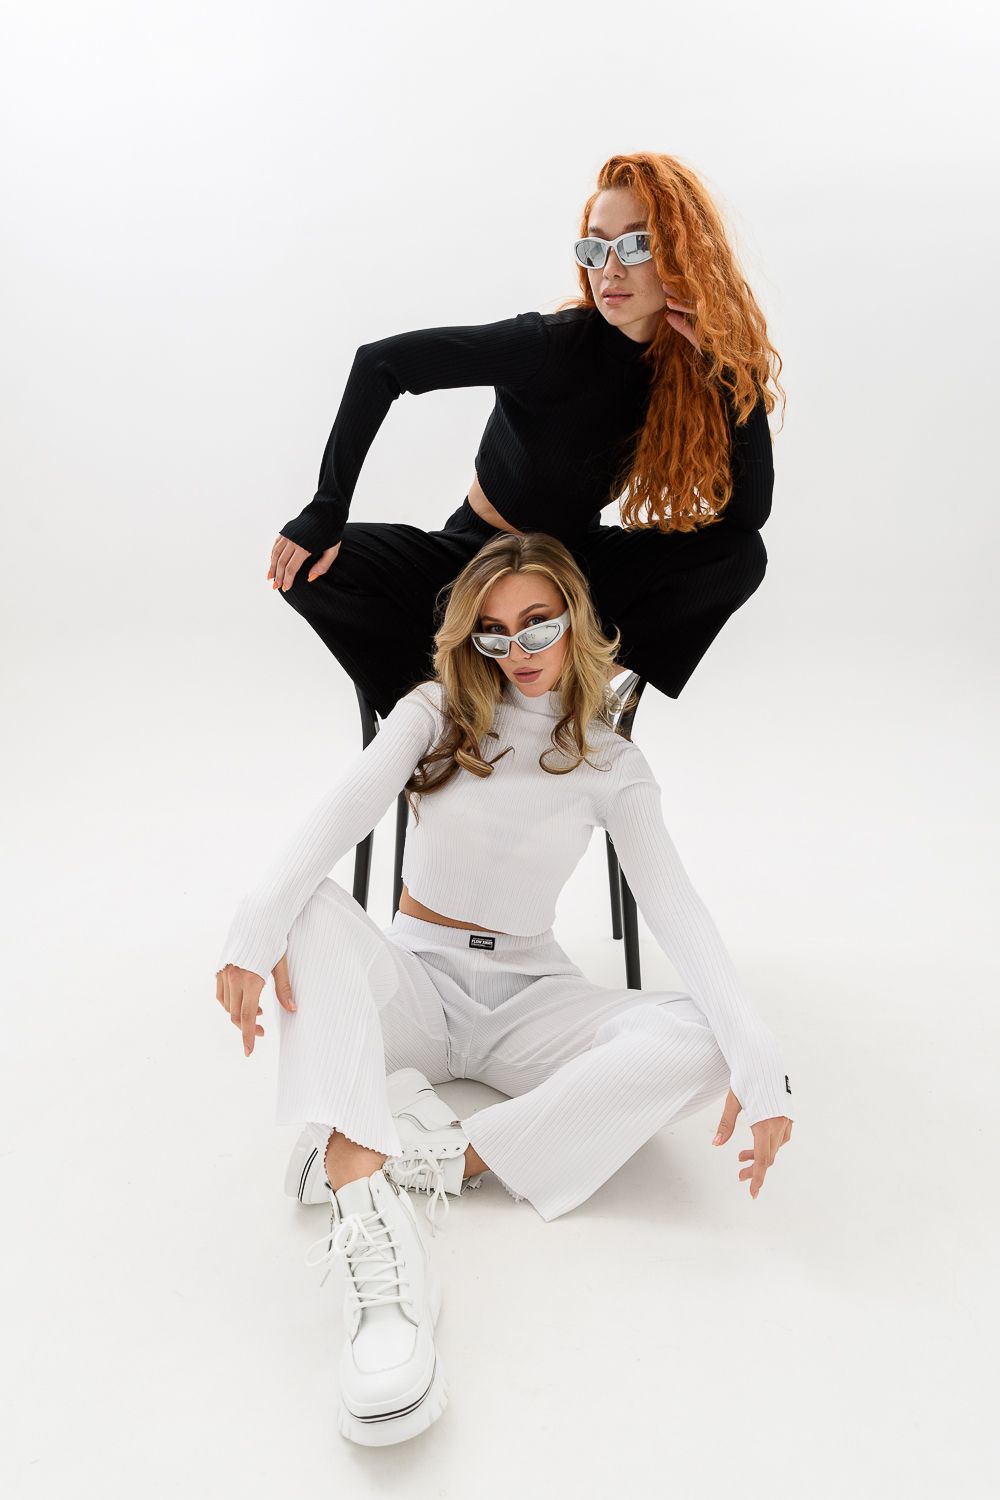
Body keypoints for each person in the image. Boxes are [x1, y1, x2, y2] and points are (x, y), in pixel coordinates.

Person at [215, 531, 795, 1448]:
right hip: (416, 979)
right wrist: (252, 930)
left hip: (529, 996)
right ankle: (371, 1222)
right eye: (493, 631)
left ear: (575, 620)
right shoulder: (434, 712)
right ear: (469, 637)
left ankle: (438, 1159)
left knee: (701, 1037)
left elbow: (675, 906)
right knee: (309, 907)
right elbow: (341, 812)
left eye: (538, 624)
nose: (517, 649)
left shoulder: (610, 763)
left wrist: (758, 1056)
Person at [267, 151, 785, 718]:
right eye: (596, 248)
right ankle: (434, 716)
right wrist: (327, 507)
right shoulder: (549, 346)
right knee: (307, 567)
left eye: (637, 245)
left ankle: (586, 697)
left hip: (571, 572)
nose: (610, 269)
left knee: (740, 556)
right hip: (474, 562)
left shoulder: (685, 376)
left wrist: (733, 372)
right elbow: (381, 365)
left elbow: (746, 519)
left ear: (684, 254)